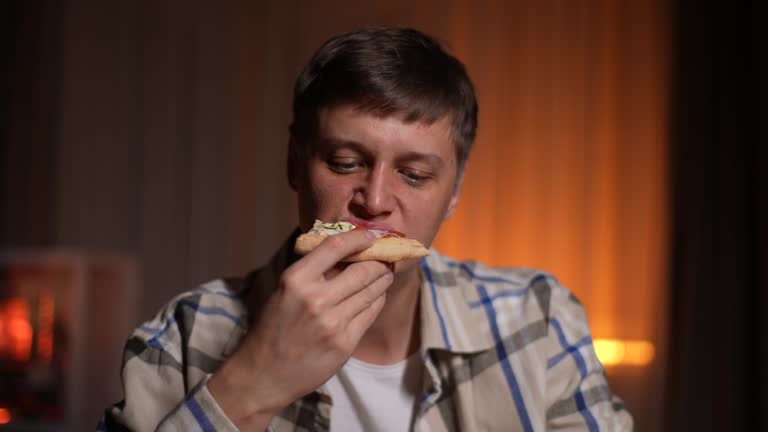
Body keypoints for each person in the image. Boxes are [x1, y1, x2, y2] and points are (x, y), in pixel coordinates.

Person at [100, 27, 632, 431]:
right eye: (344, 162)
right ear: (294, 161)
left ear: (455, 191)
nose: (375, 202)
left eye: (415, 174)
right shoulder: (183, 336)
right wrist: (252, 383)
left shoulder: (540, 322)